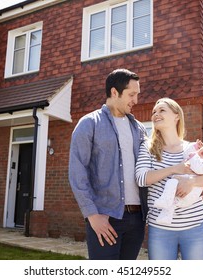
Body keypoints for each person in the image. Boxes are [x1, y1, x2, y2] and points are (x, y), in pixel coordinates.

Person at [68, 69, 148, 260]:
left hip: (137, 218)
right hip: (105, 218)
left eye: (137, 95)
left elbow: (151, 165)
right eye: (131, 94)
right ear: (114, 92)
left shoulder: (139, 129)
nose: (136, 100)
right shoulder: (89, 123)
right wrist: (92, 216)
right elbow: (77, 172)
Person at [135, 97, 203, 260]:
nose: (156, 114)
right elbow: (141, 178)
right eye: (154, 112)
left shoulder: (192, 148)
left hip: (196, 227)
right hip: (160, 229)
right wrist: (176, 168)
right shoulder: (148, 148)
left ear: (177, 116)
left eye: (162, 110)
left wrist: (192, 182)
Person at [153, 140, 203, 224]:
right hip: (178, 187)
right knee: (171, 186)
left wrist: (196, 154)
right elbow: (186, 154)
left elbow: (198, 168)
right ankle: (165, 215)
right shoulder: (196, 156)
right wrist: (194, 147)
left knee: (172, 194)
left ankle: (166, 202)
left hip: (189, 194)